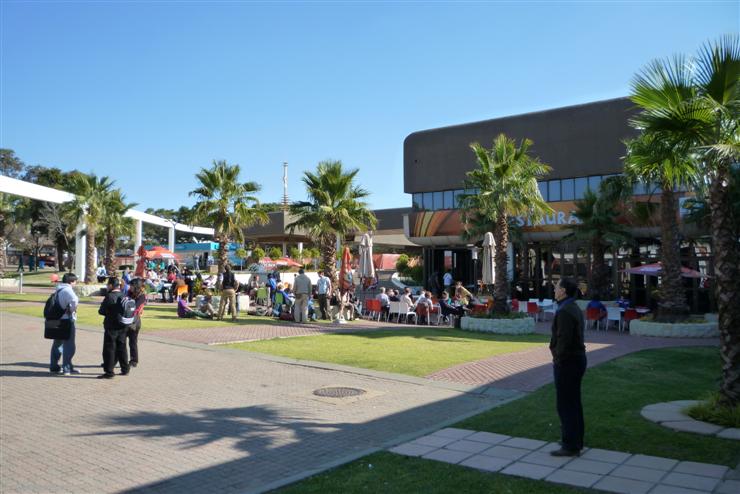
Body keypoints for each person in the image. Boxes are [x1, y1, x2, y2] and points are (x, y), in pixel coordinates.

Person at [549, 277, 587, 457]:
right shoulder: (572, 307)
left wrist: (557, 358)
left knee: (565, 404)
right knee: (573, 402)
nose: (554, 290)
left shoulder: (565, 310)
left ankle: (570, 445)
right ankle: (575, 440)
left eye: (556, 287)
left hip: (568, 361)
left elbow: (563, 340)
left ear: (563, 291)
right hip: (576, 360)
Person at [97, 277, 130, 379]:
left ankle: (109, 372)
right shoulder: (124, 295)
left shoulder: (109, 296)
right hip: (123, 325)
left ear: (111, 285)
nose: (107, 286)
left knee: (109, 349)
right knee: (122, 347)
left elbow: (101, 311)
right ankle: (125, 368)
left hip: (111, 326)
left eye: (108, 284)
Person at [49, 273, 79, 375]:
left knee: (57, 343)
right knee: (69, 345)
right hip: (67, 320)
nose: (75, 283)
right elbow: (75, 300)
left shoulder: (58, 289)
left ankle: (54, 366)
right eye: (75, 281)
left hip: (57, 319)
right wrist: (71, 309)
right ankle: (67, 368)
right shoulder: (68, 290)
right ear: (71, 282)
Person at [126, 278, 147, 368]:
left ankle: (134, 360)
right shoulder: (129, 293)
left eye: (131, 286)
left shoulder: (142, 296)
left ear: (136, 287)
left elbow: (134, 307)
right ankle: (114, 360)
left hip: (134, 321)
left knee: (133, 342)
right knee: (120, 341)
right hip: (126, 319)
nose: (129, 287)